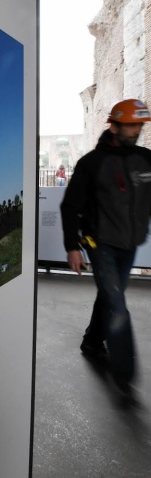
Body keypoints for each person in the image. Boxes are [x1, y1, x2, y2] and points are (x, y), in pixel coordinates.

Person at [60, 98, 151, 399]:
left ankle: (91, 341)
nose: (136, 130)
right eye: (130, 125)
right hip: (100, 244)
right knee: (117, 304)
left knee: (110, 295)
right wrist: (73, 247)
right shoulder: (92, 163)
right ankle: (125, 376)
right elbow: (70, 206)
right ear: (114, 125)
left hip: (129, 243)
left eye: (139, 124)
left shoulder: (145, 159)